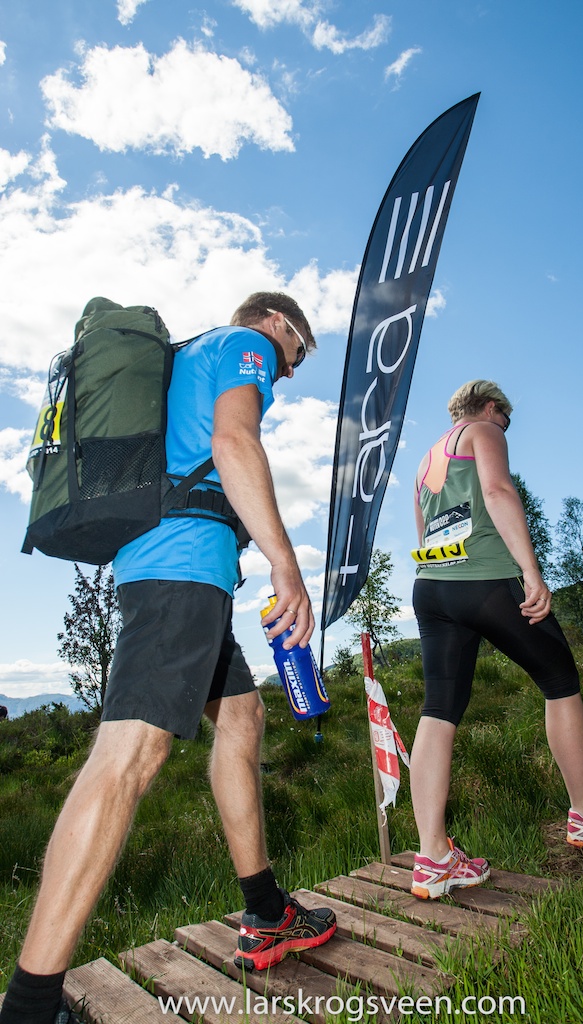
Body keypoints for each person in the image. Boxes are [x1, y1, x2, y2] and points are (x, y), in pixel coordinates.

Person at [0, 293, 336, 1024]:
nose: (287, 373)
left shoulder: (185, 357)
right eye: (295, 356)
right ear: (278, 324)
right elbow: (235, 442)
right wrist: (285, 564)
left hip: (167, 564)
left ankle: (265, 910)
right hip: (181, 567)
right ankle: (28, 1006)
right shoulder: (245, 344)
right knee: (127, 759)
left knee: (241, 718)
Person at [409, 380, 583, 900]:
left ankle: (433, 859)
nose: (505, 430)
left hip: (431, 587)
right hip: (485, 581)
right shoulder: (483, 431)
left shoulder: (426, 461)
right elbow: (498, 492)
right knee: (560, 679)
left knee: (439, 709)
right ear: (490, 407)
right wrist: (531, 571)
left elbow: (422, 528)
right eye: (506, 421)